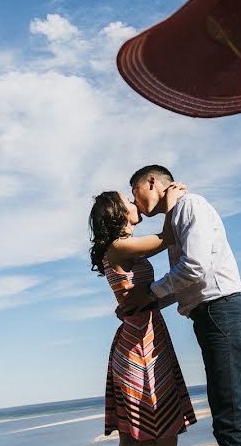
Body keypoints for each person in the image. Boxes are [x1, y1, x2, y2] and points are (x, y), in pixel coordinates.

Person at [121, 165, 241, 446]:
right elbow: (187, 280)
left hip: (221, 314)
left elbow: (194, 267)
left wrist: (151, 293)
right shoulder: (176, 214)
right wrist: (148, 302)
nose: (135, 202)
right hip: (217, 315)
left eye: (135, 191)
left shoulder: (189, 206)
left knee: (229, 423)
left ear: (152, 182)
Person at [89, 184, 197, 445]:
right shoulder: (118, 247)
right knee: (152, 433)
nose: (134, 202)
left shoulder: (122, 248)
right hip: (139, 347)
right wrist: (170, 201)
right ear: (118, 213)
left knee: (143, 433)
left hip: (146, 338)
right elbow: (168, 236)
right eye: (127, 200)